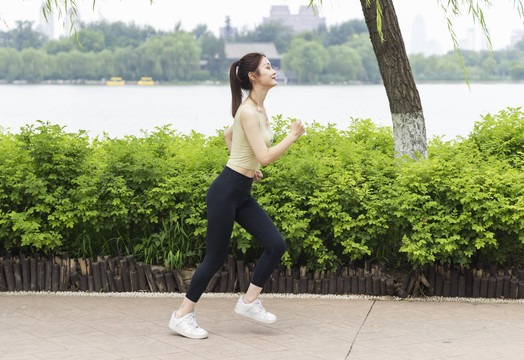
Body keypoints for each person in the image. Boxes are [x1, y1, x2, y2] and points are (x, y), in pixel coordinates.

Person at [168, 52, 305, 339]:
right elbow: (265, 157)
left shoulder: (257, 108)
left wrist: (247, 165)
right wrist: (290, 137)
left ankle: (249, 301)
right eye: (268, 67)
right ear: (253, 76)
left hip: (241, 190)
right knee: (215, 259)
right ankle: (181, 316)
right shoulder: (247, 111)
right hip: (225, 191)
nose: (273, 70)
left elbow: (229, 137)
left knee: (275, 244)